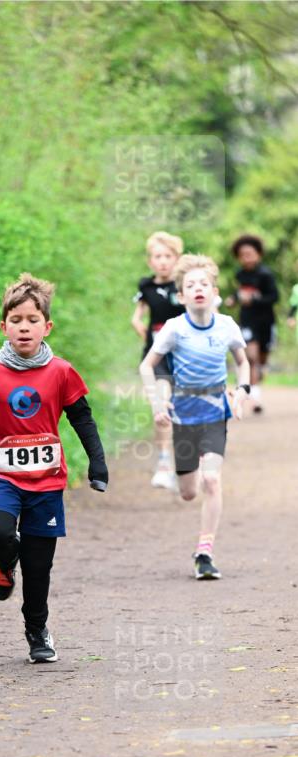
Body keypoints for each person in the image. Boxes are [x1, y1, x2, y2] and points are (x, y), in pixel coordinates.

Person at [0, 273, 108, 664]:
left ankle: (37, 630)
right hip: (1, 474)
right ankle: (5, 559)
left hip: (47, 481)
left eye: (32, 320)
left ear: (46, 326)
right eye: (16, 320)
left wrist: (97, 463)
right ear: (4, 326)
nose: (24, 327)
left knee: (39, 569)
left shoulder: (61, 371)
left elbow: (82, 419)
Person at [140, 254, 250, 580]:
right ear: (182, 295)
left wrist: (241, 391)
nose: (198, 289)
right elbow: (148, 365)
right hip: (184, 416)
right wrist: (158, 403)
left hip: (216, 412)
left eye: (204, 284)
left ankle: (205, 551)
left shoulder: (228, 325)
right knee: (189, 491)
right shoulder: (174, 329)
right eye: (191, 285)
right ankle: (185, 482)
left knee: (212, 479)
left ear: (214, 291)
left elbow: (243, 363)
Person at [131, 231, 185, 490]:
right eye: (157, 256)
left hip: (186, 356)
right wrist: (150, 337)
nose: (163, 261)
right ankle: (164, 464)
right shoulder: (146, 286)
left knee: (185, 411)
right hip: (157, 358)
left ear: (177, 259)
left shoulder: (185, 285)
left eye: (168, 256)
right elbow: (136, 318)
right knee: (161, 408)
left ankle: (187, 463)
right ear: (150, 261)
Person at [224, 234, 279, 413]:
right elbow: (238, 294)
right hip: (247, 321)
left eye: (249, 253)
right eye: (242, 254)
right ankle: (255, 400)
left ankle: (258, 377)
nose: (246, 257)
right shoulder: (240, 275)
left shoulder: (266, 275)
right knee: (252, 357)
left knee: (261, 359)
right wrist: (233, 299)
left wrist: (254, 300)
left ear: (258, 254)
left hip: (266, 322)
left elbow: (274, 297)